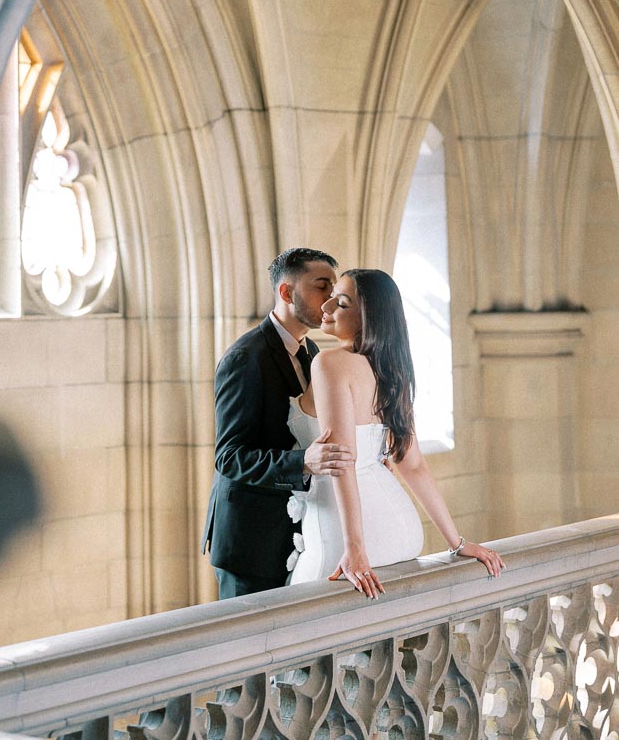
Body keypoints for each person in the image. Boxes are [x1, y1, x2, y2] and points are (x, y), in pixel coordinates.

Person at [287, 268, 504, 597]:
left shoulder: (329, 362)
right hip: (402, 530)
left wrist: (355, 547)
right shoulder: (390, 368)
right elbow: (413, 465)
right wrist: (457, 542)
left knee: (302, 621)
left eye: (341, 303)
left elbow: (343, 460)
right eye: (330, 298)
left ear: (368, 318)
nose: (326, 307)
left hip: (345, 534)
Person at [201, 247, 356, 599]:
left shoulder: (312, 352)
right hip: (250, 542)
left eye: (334, 289)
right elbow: (229, 457)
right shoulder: (244, 358)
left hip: (296, 534)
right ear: (286, 292)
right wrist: (302, 463)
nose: (331, 299)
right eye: (321, 286)